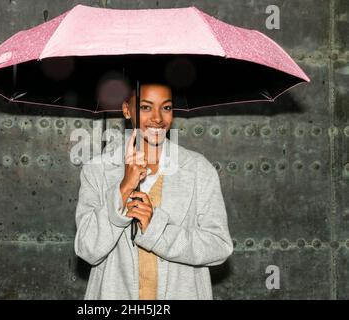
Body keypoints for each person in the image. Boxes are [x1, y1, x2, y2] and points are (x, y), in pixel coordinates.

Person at [74, 80, 233, 300]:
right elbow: (87, 249)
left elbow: (219, 246)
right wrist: (124, 187)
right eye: (146, 107)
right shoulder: (97, 171)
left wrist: (156, 229)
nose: (158, 117)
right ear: (127, 110)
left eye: (166, 107)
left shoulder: (198, 169)